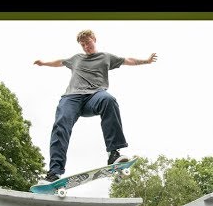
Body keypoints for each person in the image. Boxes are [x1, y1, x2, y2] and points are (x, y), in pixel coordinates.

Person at [34, 29, 157, 184]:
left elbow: (128, 60)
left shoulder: (106, 57)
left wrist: (146, 61)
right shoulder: (76, 59)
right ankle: (54, 172)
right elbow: (59, 62)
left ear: (94, 39)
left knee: (108, 100)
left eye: (88, 42)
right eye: (83, 45)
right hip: (72, 98)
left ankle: (114, 154)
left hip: (94, 97)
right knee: (61, 124)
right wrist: (44, 63)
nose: (86, 47)